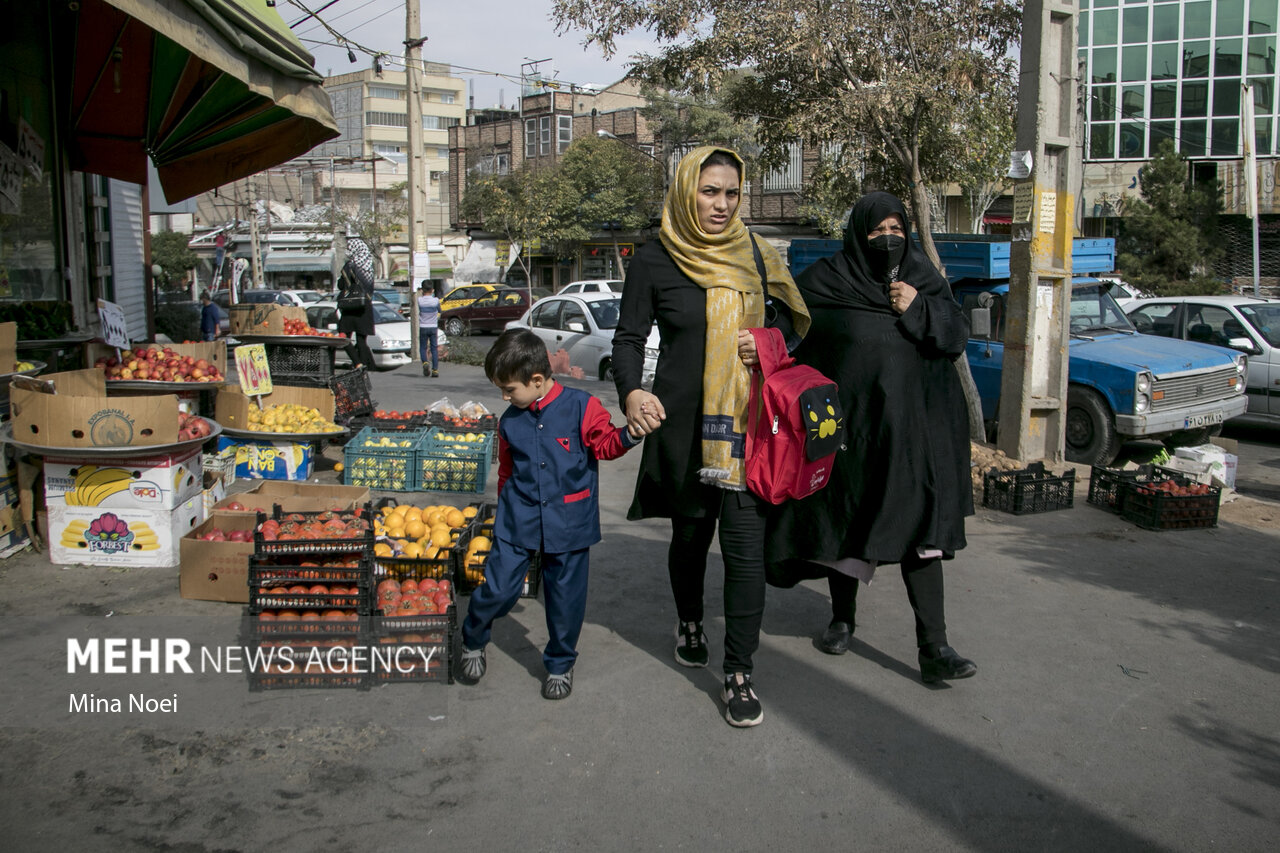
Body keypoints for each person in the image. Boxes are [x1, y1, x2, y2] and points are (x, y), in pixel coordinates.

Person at [611, 146, 811, 727]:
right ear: (685, 191)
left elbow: (794, 330)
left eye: (730, 192)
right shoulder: (655, 260)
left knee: (746, 553)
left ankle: (739, 672)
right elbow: (627, 340)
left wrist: (768, 343)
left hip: (748, 429)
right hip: (683, 430)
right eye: (709, 190)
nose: (721, 204)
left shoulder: (757, 255)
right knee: (691, 538)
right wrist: (631, 393)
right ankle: (691, 620)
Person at [765, 191, 977, 685]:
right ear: (859, 234)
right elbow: (787, 324)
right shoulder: (827, 282)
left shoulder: (923, 279)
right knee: (849, 527)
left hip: (914, 440)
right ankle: (842, 619)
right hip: (852, 434)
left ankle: (934, 646)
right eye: (878, 231)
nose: (888, 239)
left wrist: (918, 307)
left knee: (922, 537)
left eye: (897, 230)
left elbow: (955, 336)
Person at [458, 328, 642, 699]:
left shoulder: (581, 407)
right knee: (498, 587)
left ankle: (560, 662)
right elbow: (507, 472)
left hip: (570, 522)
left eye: (509, 389)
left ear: (537, 380)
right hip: (518, 517)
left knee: (565, 598)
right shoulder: (509, 421)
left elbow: (605, 445)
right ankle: (472, 637)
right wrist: (503, 510)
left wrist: (631, 434)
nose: (504, 397)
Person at [336, 259, 375, 369]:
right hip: (364, 307)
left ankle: (357, 362)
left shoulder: (349, 266)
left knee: (343, 337)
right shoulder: (367, 267)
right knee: (361, 340)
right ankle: (361, 366)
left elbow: (341, 285)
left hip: (349, 307)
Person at [417, 279, 440, 377]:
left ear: (422, 289)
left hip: (423, 326)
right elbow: (440, 310)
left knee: (423, 347)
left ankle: (425, 362)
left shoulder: (420, 300)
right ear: (432, 290)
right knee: (434, 348)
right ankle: (435, 370)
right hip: (433, 326)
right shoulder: (436, 301)